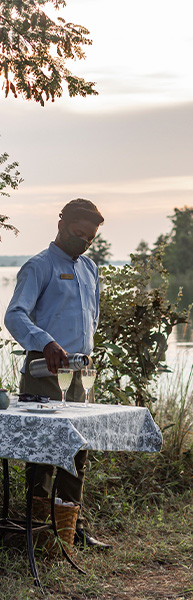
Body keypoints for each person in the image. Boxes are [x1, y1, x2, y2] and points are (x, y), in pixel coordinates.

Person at [4, 198, 109, 549]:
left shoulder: (90, 269)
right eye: (79, 234)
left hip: (80, 375)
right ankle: (37, 534)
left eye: (90, 238)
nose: (83, 242)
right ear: (61, 224)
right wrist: (46, 342)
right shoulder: (39, 267)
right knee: (43, 453)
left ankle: (68, 532)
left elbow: (90, 319)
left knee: (78, 450)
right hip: (45, 374)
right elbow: (15, 315)